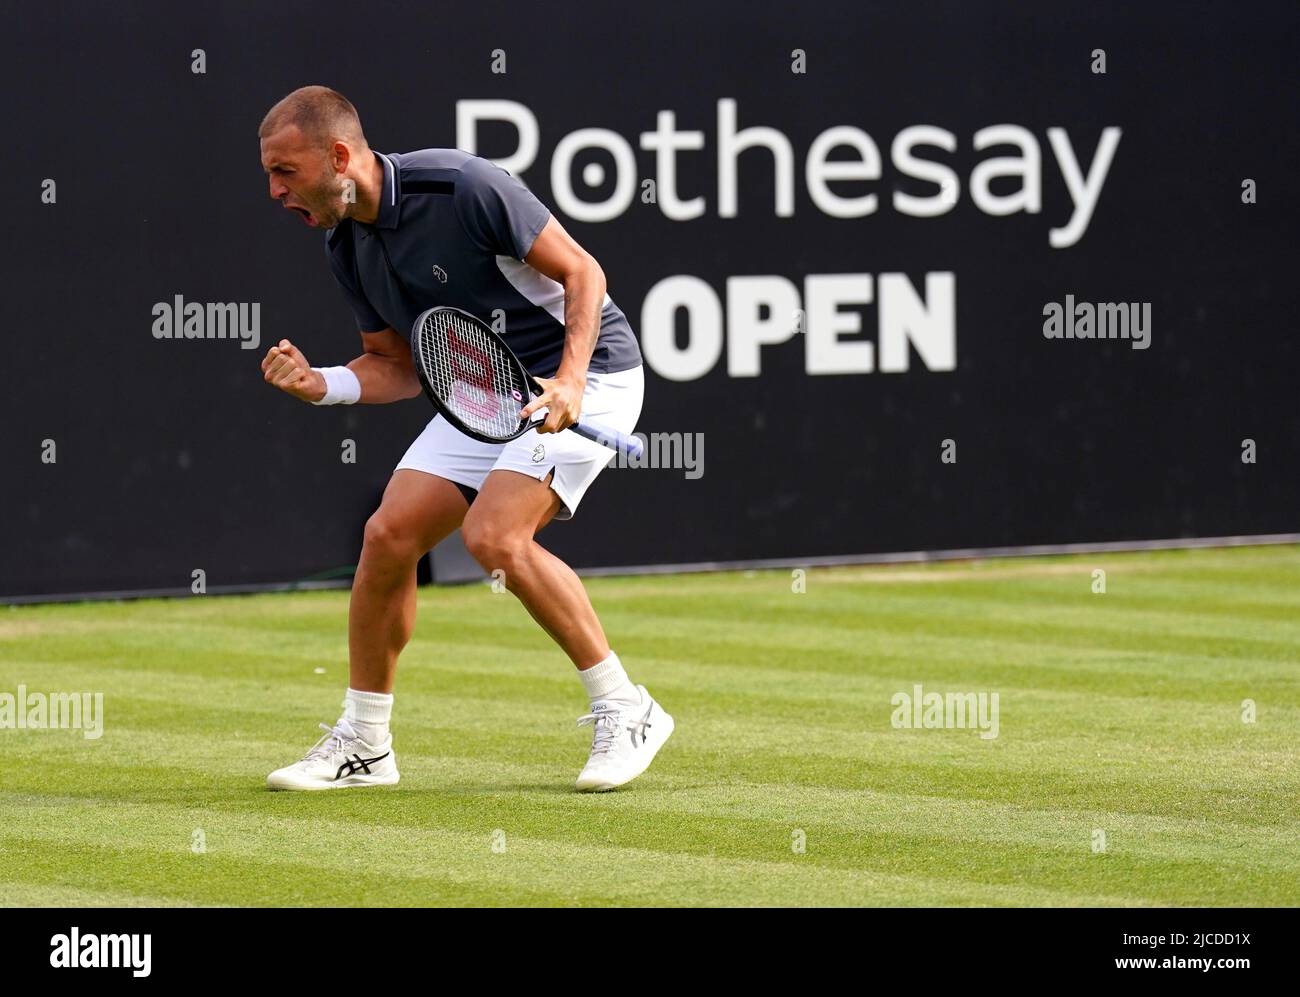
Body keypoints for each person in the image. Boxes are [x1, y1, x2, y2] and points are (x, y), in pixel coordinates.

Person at [255, 86, 673, 792]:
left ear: (338, 156)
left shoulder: (463, 187)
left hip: (592, 372)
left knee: (494, 536)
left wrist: (569, 383)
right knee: (388, 535)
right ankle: (365, 744)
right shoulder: (345, 245)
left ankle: (627, 707)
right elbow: (396, 367)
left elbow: (584, 272)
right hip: (490, 392)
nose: (274, 191)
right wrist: (322, 383)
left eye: (285, 171)